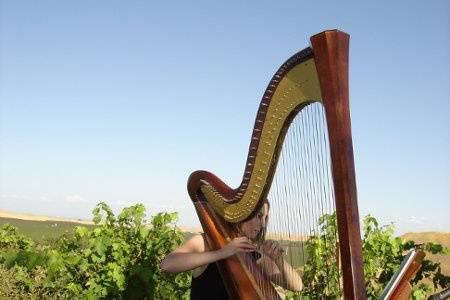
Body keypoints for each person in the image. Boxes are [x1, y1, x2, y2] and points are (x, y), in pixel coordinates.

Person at [160, 200, 302, 299]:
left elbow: (297, 286)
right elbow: (167, 264)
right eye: (259, 216)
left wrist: (278, 259)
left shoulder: (253, 254)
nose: (263, 224)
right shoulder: (206, 242)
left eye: (265, 218)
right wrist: (222, 253)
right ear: (241, 214)